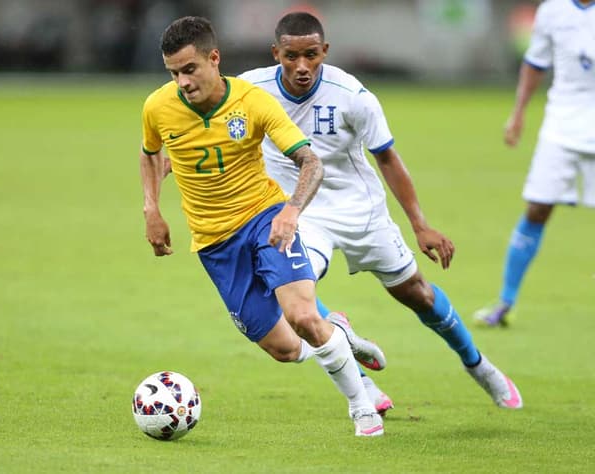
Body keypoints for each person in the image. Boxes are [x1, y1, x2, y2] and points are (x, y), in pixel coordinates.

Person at [239, 12, 523, 409]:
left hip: (360, 210)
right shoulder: (251, 89)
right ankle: (362, 383)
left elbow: (387, 158)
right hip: (301, 213)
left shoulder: (353, 96)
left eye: (311, 55)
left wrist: (420, 225)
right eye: (291, 56)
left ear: (325, 51)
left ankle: (478, 364)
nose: (301, 67)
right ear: (276, 53)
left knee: (418, 295)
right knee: (294, 302)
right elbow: (210, 114)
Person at [139, 16, 384, 436]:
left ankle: (363, 408)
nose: (182, 81)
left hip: (265, 219)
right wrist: (151, 209)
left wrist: (290, 211)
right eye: (174, 72)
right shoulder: (158, 106)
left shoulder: (252, 102)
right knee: (286, 349)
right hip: (214, 244)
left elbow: (311, 162)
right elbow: (150, 153)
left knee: (303, 315)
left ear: (214, 59)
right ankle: (338, 334)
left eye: (190, 69)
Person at [474, 0, 595, 327]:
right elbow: (535, 63)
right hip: (562, 125)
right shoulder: (552, 11)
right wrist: (518, 113)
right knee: (537, 208)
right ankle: (505, 302)